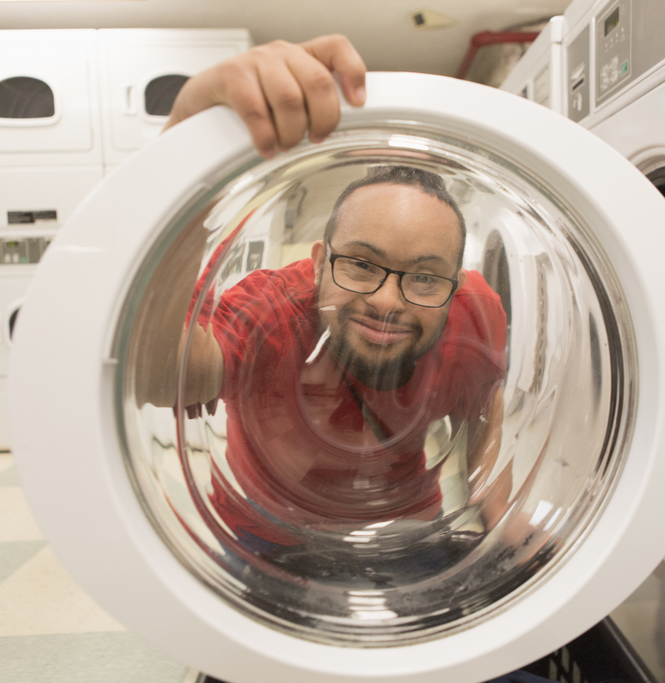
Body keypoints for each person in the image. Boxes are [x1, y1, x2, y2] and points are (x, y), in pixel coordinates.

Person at [138, 35, 510, 545]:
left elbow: (483, 408)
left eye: (424, 276)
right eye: (360, 264)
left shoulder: (474, 314)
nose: (386, 302)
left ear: (453, 284)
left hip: (405, 527)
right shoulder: (268, 313)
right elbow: (157, 379)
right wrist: (185, 142)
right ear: (318, 265)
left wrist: (504, 518)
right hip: (268, 532)